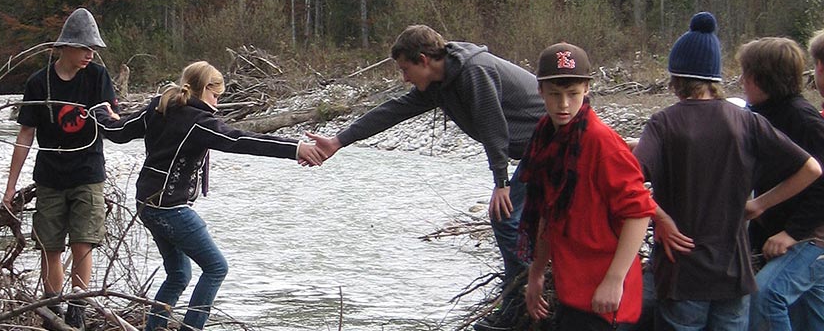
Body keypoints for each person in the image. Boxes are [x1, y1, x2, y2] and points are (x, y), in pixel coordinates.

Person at [307, 25, 545, 330]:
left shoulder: (474, 71)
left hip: (551, 144)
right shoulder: (440, 81)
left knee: (504, 217)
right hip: (533, 150)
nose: (405, 78)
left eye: (406, 69)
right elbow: (395, 110)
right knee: (528, 221)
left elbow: (492, 125)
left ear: (423, 60)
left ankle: (518, 302)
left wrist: (501, 183)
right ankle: (521, 290)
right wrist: (339, 141)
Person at [98, 61, 324, 331]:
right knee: (216, 268)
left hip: (147, 203)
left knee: (179, 275)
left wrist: (99, 113)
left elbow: (118, 132)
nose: (216, 103)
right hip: (170, 208)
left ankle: (154, 328)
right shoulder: (198, 122)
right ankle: (192, 328)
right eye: (216, 96)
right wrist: (295, 147)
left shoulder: (159, 107)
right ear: (205, 88)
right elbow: (240, 140)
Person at [633, 12, 821, 331]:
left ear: (675, 78)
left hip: (685, 273)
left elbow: (628, 180)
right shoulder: (748, 121)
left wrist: (659, 217)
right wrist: (760, 205)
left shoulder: (664, 123)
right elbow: (812, 168)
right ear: (715, 78)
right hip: (734, 271)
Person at [517, 43, 655, 330]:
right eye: (555, 95)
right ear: (540, 90)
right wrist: (537, 272)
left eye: (572, 94)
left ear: (587, 89)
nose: (563, 105)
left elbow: (639, 213)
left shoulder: (602, 144)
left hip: (607, 299)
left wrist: (615, 280)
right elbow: (546, 212)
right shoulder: (546, 138)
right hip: (573, 289)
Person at [1, 8, 118, 330]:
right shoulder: (39, 83)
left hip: (88, 172)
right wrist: (10, 187)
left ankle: (78, 310)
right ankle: (53, 309)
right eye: (84, 48)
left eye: (92, 49)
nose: (89, 54)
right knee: (49, 247)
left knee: (83, 242)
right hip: (50, 175)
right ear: (64, 48)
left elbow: (109, 116)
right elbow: (25, 134)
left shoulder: (97, 77)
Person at [735, 37, 824, 330]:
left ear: (762, 79)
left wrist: (791, 233)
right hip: (781, 230)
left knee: (766, 296)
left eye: (745, 74)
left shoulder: (803, 120)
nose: (741, 81)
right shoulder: (761, 114)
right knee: (807, 315)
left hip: (811, 237)